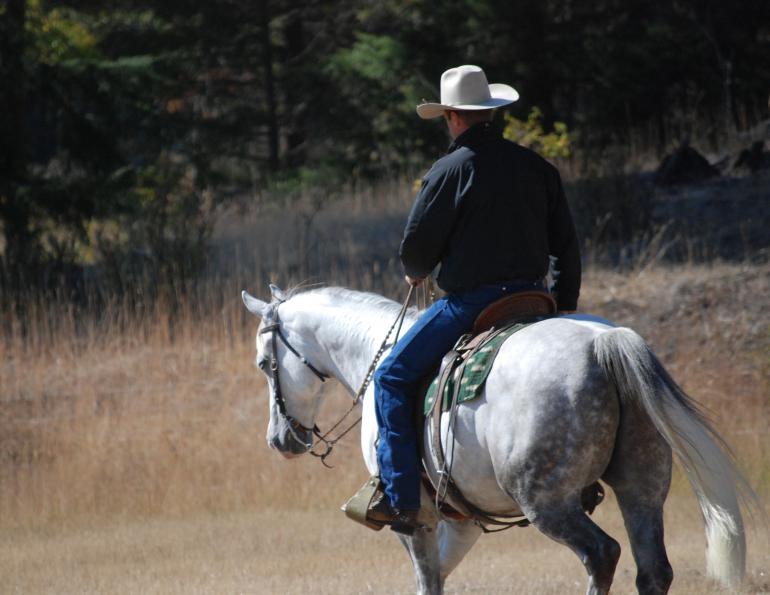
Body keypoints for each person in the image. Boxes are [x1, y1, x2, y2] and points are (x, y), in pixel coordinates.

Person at [368, 65, 581, 534]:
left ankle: (401, 497)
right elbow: (566, 245)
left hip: (473, 304)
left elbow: (418, 246)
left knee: (391, 377)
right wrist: (563, 307)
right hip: (536, 301)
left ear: (451, 117)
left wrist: (416, 270)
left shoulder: (449, 170)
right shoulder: (537, 167)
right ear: (490, 113)